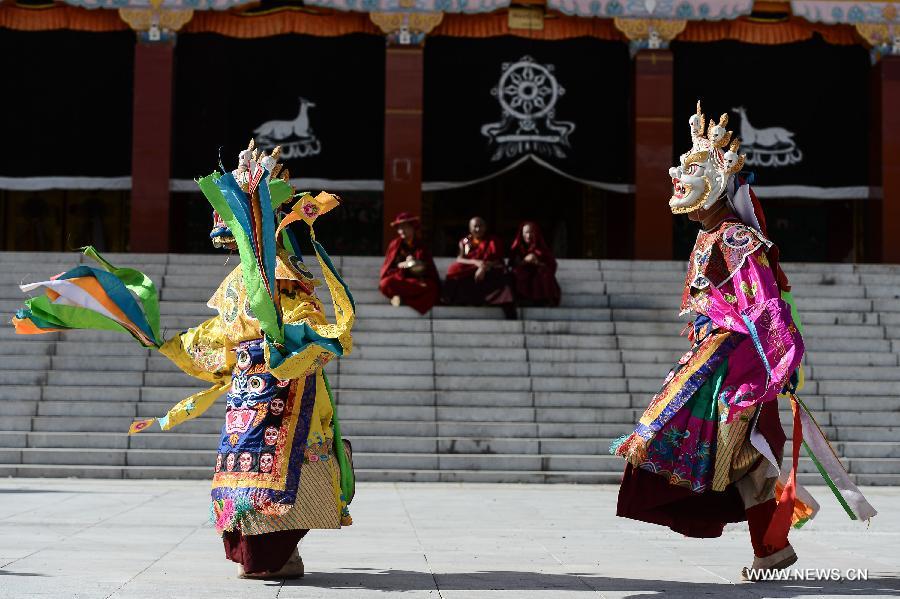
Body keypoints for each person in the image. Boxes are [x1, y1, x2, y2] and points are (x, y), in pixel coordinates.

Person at [13, 140, 357, 580]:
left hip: (285, 389)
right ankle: (266, 556)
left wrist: (289, 341)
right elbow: (215, 337)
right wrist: (165, 343)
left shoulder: (288, 283)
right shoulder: (241, 288)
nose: (236, 250)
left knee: (289, 471)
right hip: (250, 395)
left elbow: (312, 333)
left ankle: (275, 555)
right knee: (246, 474)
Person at [610, 103, 876, 580]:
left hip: (739, 364)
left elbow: (764, 303)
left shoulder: (735, 238)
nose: (679, 177)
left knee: (745, 454)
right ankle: (770, 547)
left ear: (713, 184)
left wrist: (778, 359)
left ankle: (771, 546)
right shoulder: (709, 237)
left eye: (691, 170)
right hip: (713, 358)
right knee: (743, 458)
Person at [442, 216, 515, 318]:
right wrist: (475, 262)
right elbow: (460, 258)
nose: (478, 229)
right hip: (471, 268)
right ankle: (455, 300)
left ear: (485, 227)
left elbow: (497, 260)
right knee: (454, 269)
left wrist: (483, 267)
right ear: (470, 228)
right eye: (475, 226)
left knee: (501, 275)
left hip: (489, 268)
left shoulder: (492, 241)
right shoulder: (467, 241)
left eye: (481, 226)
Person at [379, 212, 440, 314]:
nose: (401, 230)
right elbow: (389, 267)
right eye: (399, 228)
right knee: (385, 283)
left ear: (412, 228)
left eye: (405, 227)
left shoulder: (421, 245)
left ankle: (402, 299)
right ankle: (409, 299)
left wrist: (416, 263)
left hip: (416, 280)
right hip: (400, 278)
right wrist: (403, 264)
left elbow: (429, 268)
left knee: (431, 287)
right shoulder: (395, 244)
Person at [509, 221, 561, 307]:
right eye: (526, 232)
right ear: (522, 234)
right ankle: (522, 299)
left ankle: (543, 300)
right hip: (523, 271)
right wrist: (524, 261)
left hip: (537, 271)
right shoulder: (517, 247)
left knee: (543, 272)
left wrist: (538, 263)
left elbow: (552, 265)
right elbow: (511, 264)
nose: (529, 236)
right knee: (517, 272)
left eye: (531, 232)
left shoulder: (541, 247)